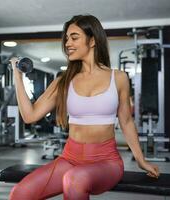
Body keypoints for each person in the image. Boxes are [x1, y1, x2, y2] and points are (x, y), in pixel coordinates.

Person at [9, 14, 160, 200]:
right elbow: (30, 116)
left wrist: (140, 159)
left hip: (106, 161)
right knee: (19, 194)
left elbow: (127, 121)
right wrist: (17, 76)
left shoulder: (118, 78)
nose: (67, 44)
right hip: (70, 158)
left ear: (93, 40)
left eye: (74, 37)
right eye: (66, 39)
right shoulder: (63, 81)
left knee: (74, 179)